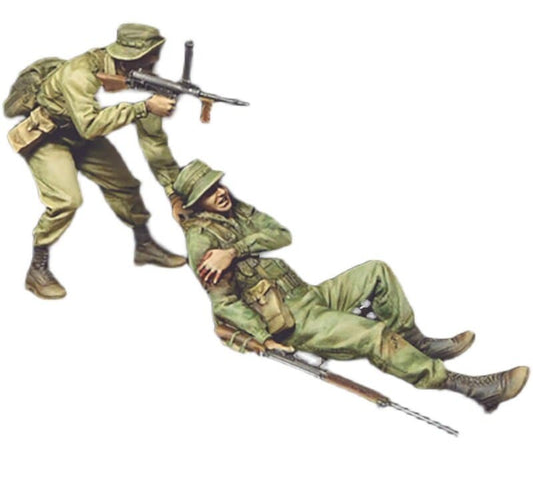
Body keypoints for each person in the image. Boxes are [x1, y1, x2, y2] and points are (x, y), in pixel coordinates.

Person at [173, 159, 529, 413]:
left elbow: (281, 234)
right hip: (293, 321)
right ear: (195, 204)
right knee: (372, 335)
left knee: (376, 271)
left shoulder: (234, 211)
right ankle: (466, 387)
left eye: (217, 184)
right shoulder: (201, 241)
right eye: (208, 191)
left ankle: (415, 341)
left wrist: (235, 250)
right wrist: (264, 339)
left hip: (307, 295)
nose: (220, 192)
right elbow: (224, 304)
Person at [7, 23, 187, 299]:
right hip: (48, 136)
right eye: (148, 57)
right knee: (66, 201)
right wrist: (143, 107)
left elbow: (100, 111)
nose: (153, 62)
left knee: (125, 185)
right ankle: (37, 268)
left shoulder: (112, 66)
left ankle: (144, 245)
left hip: (77, 133)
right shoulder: (79, 74)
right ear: (129, 57)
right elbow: (90, 126)